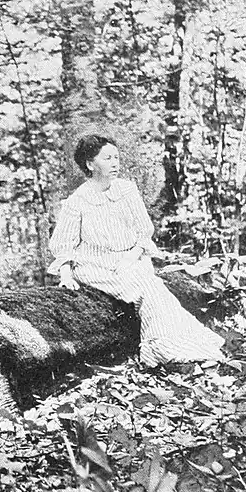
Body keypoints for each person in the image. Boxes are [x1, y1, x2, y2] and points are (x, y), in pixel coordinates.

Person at [48, 134, 224, 367]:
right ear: (90, 164)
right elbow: (63, 244)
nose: (115, 163)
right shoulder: (77, 201)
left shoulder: (127, 190)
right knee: (145, 289)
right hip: (95, 265)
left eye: (116, 158)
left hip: (131, 258)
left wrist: (130, 257)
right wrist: (66, 275)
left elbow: (144, 230)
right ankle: (163, 352)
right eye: (107, 158)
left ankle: (180, 347)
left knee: (153, 288)